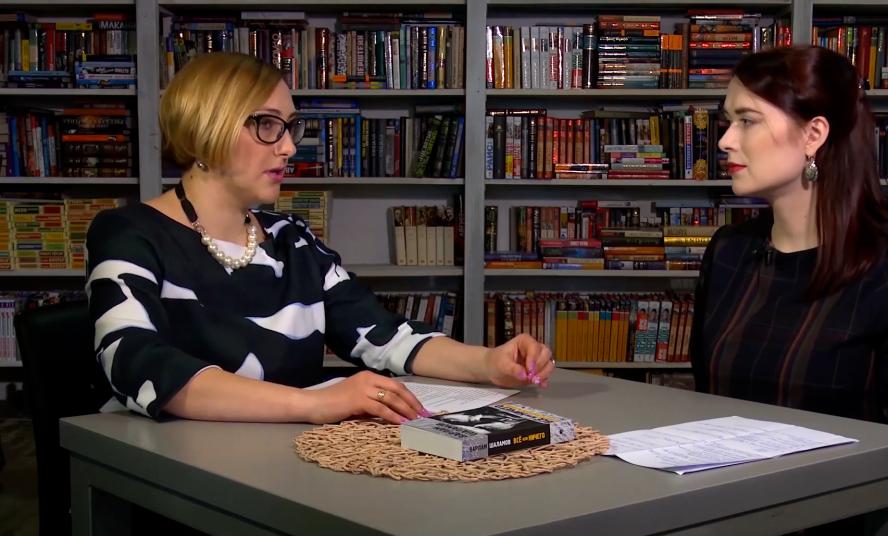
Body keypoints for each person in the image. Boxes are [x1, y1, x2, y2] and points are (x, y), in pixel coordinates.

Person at [86, 52, 554, 425]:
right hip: (177, 474)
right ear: (208, 126)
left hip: (291, 465)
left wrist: (488, 363)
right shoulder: (129, 234)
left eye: (290, 127)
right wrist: (316, 403)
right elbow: (137, 364)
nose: (289, 146)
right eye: (267, 125)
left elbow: (384, 336)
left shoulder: (292, 240)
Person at [691, 45, 888, 536]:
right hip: (715, 526)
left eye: (747, 121)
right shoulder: (729, 253)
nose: (725, 140)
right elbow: (709, 415)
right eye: (727, 121)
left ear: (814, 134)